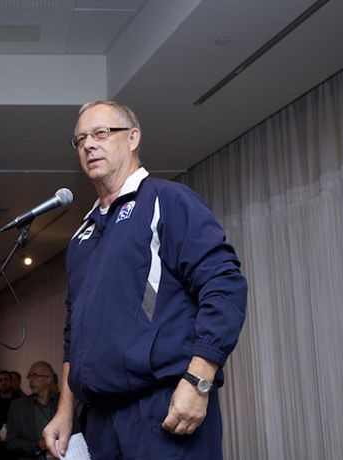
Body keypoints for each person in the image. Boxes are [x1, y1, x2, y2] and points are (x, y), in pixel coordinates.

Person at [42, 100, 248, 460]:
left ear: (133, 137)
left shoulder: (167, 200)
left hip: (161, 409)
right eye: (81, 139)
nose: (89, 145)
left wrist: (198, 381)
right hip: (100, 420)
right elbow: (75, 334)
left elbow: (224, 284)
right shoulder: (81, 236)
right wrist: (65, 409)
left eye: (101, 133)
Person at [5, 362, 59, 459]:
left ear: (49, 379)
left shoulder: (62, 404)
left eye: (36, 375)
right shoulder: (18, 406)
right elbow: (11, 443)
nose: (31, 380)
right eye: (29, 376)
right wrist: (37, 445)